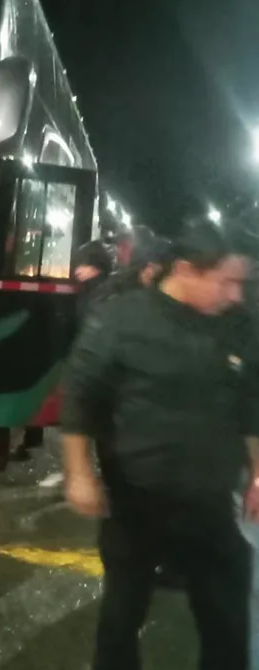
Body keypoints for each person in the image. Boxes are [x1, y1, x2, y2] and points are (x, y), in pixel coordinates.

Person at [61, 218, 258, 670]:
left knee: (227, 613)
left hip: (209, 503)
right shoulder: (122, 320)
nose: (235, 295)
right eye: (225, 282)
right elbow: (80, 397)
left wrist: (256, 474)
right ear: (187, 270)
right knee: (123, 612)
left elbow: (251, 402)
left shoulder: (238, 326)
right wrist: (79, 473)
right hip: (136, 501)